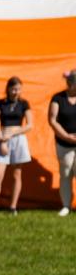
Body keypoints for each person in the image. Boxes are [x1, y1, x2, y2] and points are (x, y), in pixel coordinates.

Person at [0, 77, 33, 214]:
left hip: (18, 139)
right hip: (3, 138)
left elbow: (29, 125)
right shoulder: (1, 103)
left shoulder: (24, 104)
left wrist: (13, 133)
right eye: (13, 89)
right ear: (8, 88)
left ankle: (13, 206)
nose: (15, 92)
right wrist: (1, 138)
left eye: (18, 89)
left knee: (16, 174)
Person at [49, 70, 76, 216]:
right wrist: (66, 136)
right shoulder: (58, 98)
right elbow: (52, 120)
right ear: (70, 84)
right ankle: (66, 205)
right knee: (65, 173)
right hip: (64, 144)